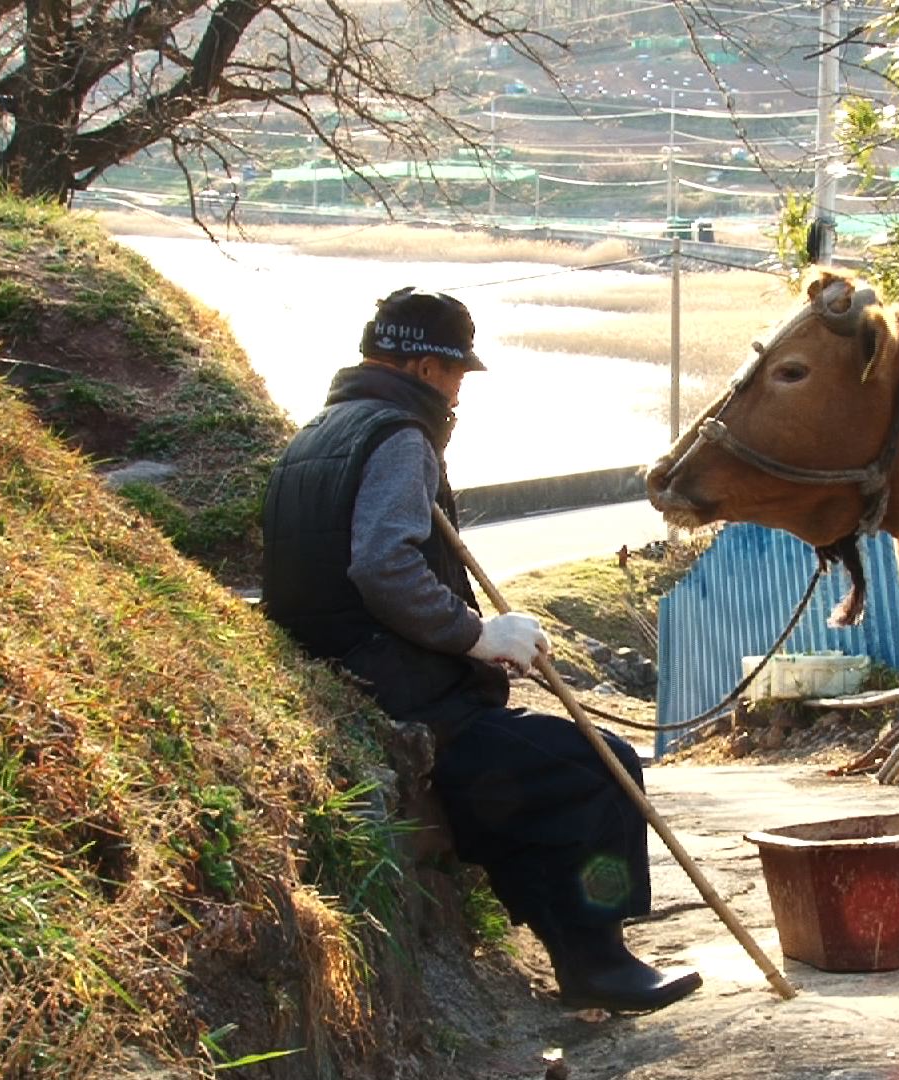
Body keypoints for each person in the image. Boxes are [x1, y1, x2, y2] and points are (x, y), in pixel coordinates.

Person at [260, 286, 701, 1013]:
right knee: (600, 767)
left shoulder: (319, 431)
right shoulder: (399, 436)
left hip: (341, 678)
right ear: (427, 367)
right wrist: (476, 635)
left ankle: (582, 952)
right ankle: (600, 959)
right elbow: (384, 566)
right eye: (459, 374)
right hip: (402, 696)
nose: (460, 393)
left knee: (540, 769)